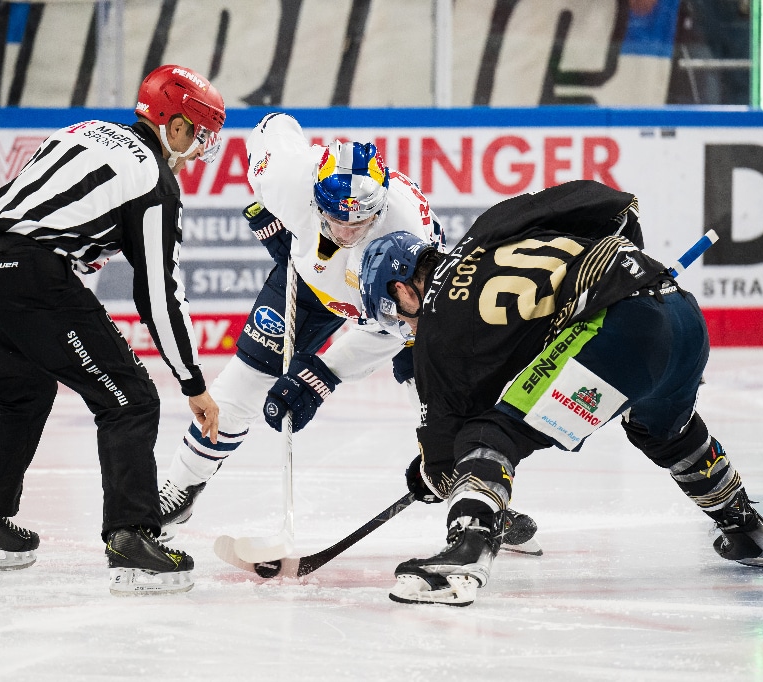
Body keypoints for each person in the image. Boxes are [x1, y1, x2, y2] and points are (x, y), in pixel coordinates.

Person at [359, 179, 763, 607]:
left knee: (491, 436)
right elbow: (609, 200)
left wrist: (434, 477)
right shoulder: (488, 230)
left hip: (623, 331)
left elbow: (446, 454)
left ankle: (467, 553)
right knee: (666, 432)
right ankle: (747, 532)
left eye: (391, 313)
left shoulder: (436, 334)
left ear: (401, 288)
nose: (404, 326)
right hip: (679, 311)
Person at [156, 112, 542, 555]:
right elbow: (272, 125)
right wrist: (274, 214)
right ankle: (180, 488)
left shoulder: (411, 236)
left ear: (379, 208)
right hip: (312, 287)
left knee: (441, 394)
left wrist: (322, 375)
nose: (344, 231)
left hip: (393, 301)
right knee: (243, 382)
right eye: (334, 218)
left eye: (358, 223)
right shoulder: (289, 175)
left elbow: (401, 328)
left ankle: (479, 493)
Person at [0, 64, 224, 595]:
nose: (200, 149)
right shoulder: (155, 181)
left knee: (19, 390)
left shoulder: (84, 131)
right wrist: (192, 381)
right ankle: (132, 540)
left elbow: (39, 208)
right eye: (200, 133)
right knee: (130, 398)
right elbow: (158, 292)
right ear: (175, 125)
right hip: (23, 267)